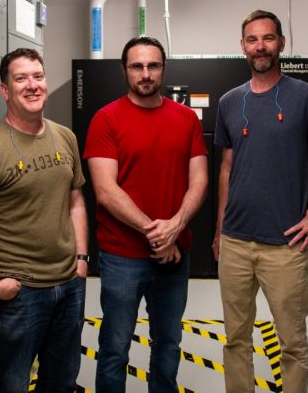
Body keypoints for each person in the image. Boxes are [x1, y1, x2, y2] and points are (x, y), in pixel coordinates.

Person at [213, 10, 308, 392]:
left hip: (287, 247)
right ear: (242, 46)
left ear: (281, 44)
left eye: (268, 38)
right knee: (235, 340)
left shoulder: (306, 97)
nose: (260, 46)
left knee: (293, 344)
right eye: (253, 39)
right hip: (237, 242)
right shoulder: (229, 102)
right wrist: (218, 232)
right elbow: (227, 169)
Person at [0, 48, 88, 393]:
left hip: (68, 285)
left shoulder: (64, 136)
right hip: (20, 294)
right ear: (6, 90)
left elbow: (75, 203)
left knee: (62, 382)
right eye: (21, 78)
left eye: (38, 76)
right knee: (11, 383)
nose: (32, 85)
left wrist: (81, 260)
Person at [84, 36, 208, 393]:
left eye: (153, 65)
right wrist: (158, 234)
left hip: (175, 256)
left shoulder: (186, 119)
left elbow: (199, 180)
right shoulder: (106, 119)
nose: (146, 73)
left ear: (163, 69)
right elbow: (106, 191)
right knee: (114, 349)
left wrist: (176, 227)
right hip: (122, 257)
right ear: (125, 70)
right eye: (137, 66)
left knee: (168, 345)